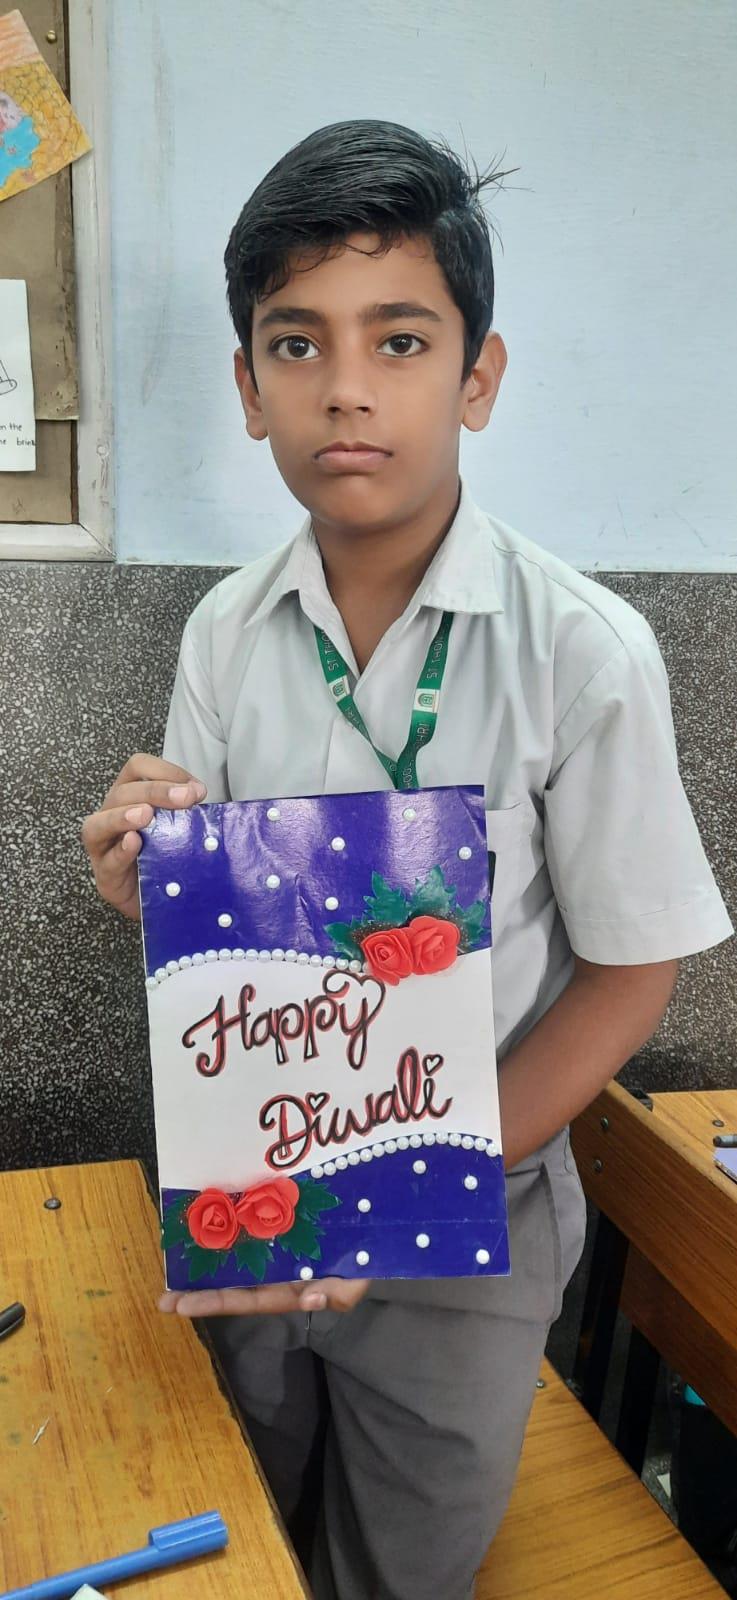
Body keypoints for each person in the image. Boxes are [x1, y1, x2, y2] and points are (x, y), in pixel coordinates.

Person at [82, 120, 733, 1600]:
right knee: (250, 1521)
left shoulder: (583, 651)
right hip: (261, 1182)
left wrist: (420, 1172)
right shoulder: (225, 632)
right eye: (295, 343)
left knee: (400, 1563)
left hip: (469, 1214)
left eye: (400, 338)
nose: (347, 387)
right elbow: (227, 940)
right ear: (248, 388)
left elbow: (633, 970)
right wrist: (151, 886)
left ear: (477, 377)